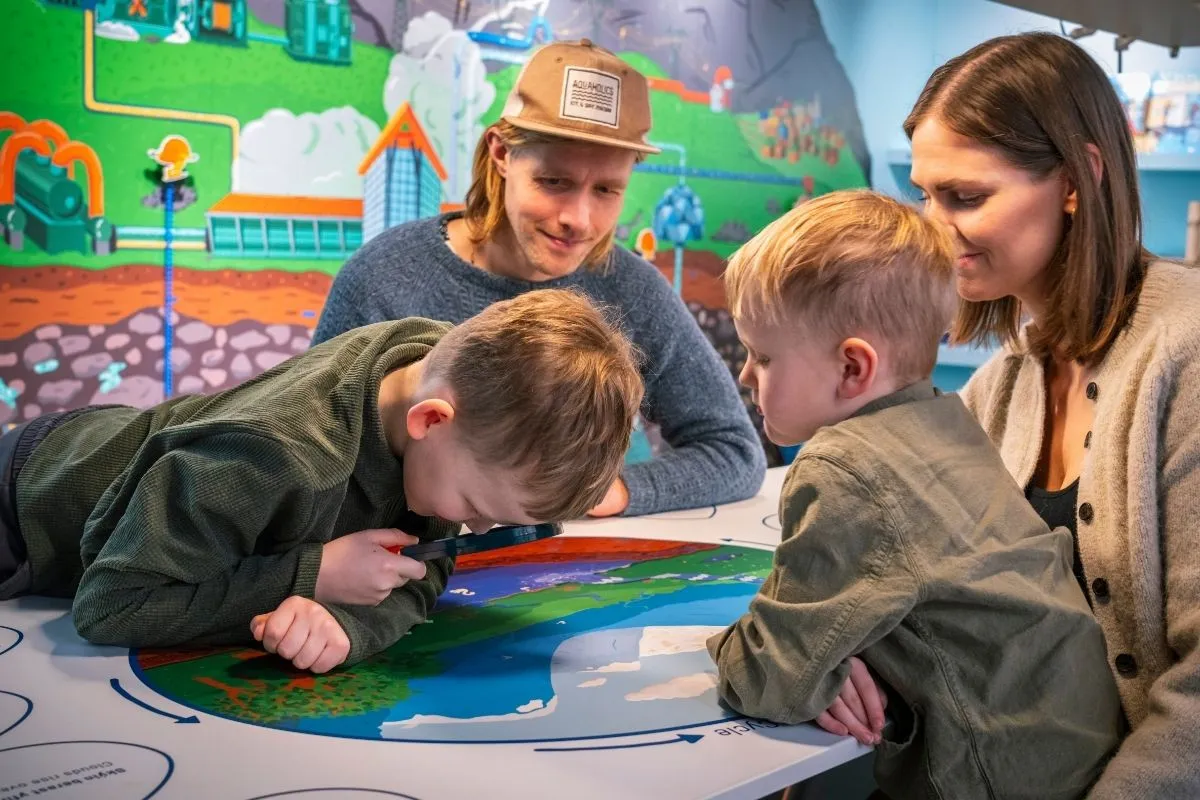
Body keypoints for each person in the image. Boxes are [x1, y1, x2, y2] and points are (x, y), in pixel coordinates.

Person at [706, 189, 1121, 800]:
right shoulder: (945, 422)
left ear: (853, 368)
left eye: (763, 356)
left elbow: (767, 680)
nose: (745, 374)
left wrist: (739, 649)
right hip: (1072, 759)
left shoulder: (843, 468)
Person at [0, 289, 643, 674]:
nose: (473, 528)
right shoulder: (273, 453)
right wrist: (310, 575)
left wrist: (348, 626)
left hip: (133, 461)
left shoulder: (447, 385)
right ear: (429, 420)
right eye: (475, 507)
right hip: (32, 499)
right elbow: (111, 604)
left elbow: (425, 568)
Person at [903, 31, 1200, 798]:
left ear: (1077, 179)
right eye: (924, 194)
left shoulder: (1186, 357)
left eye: (965, 197)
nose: (932, 226)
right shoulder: (1000, 386)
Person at [313, 38, 766, 518]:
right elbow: (313, 461)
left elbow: (733, 451)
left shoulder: (634, 290)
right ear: (502, 153)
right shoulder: (382, 278)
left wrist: (602, 491)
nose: (579, 219)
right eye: (554, 181)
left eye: (607, 190)